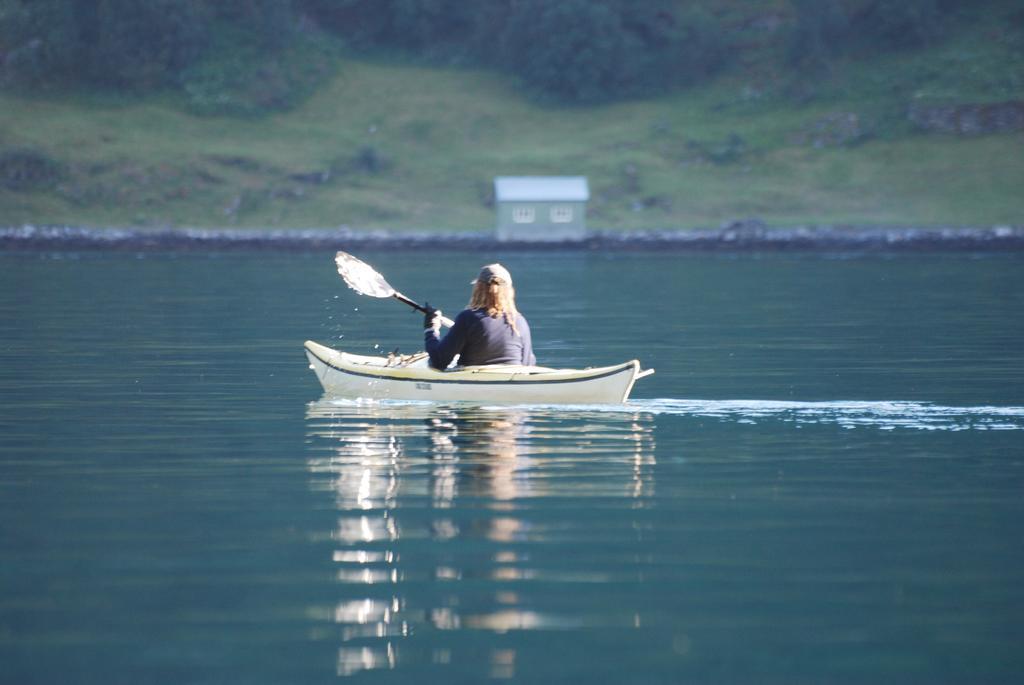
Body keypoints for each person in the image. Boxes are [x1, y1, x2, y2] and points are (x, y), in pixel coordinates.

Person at [423, 263, 536, 370]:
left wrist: (431, 329)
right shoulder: (520, 321)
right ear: (509, 291)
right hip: (514, 379)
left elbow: (438, 361)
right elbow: (528, 365)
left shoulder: (468, 318)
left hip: (472, 381)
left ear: (478, 288)